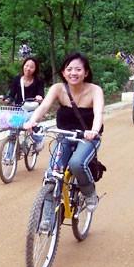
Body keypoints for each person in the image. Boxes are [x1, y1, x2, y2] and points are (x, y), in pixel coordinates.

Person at [24, 52, 104, 212]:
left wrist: (93, 131)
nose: (73, 73)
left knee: (76, 164)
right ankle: (46, 219)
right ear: (63, 72)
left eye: (78, 69)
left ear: (86, 72)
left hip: (87, 138)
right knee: (52, 173)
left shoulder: (95, 90)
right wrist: (33, 121)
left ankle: (89, 193)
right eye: (69, 69)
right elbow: (44, 106)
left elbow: (99, 113)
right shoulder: (58, 88)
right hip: (65, 135)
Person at [4, 57, 45, 150]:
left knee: (28, 125)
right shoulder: (17, 79)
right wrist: (7, 99)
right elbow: (11, 95)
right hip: (19, 109)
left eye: (31, 67)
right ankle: (9, 157)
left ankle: (39, 139)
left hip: (33, 110)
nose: (28, 68)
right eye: (26, 66)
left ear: (35, 69)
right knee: (13, 132)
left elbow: (41, 95)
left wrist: (39, 97)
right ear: (23, 66)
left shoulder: (39, 80)